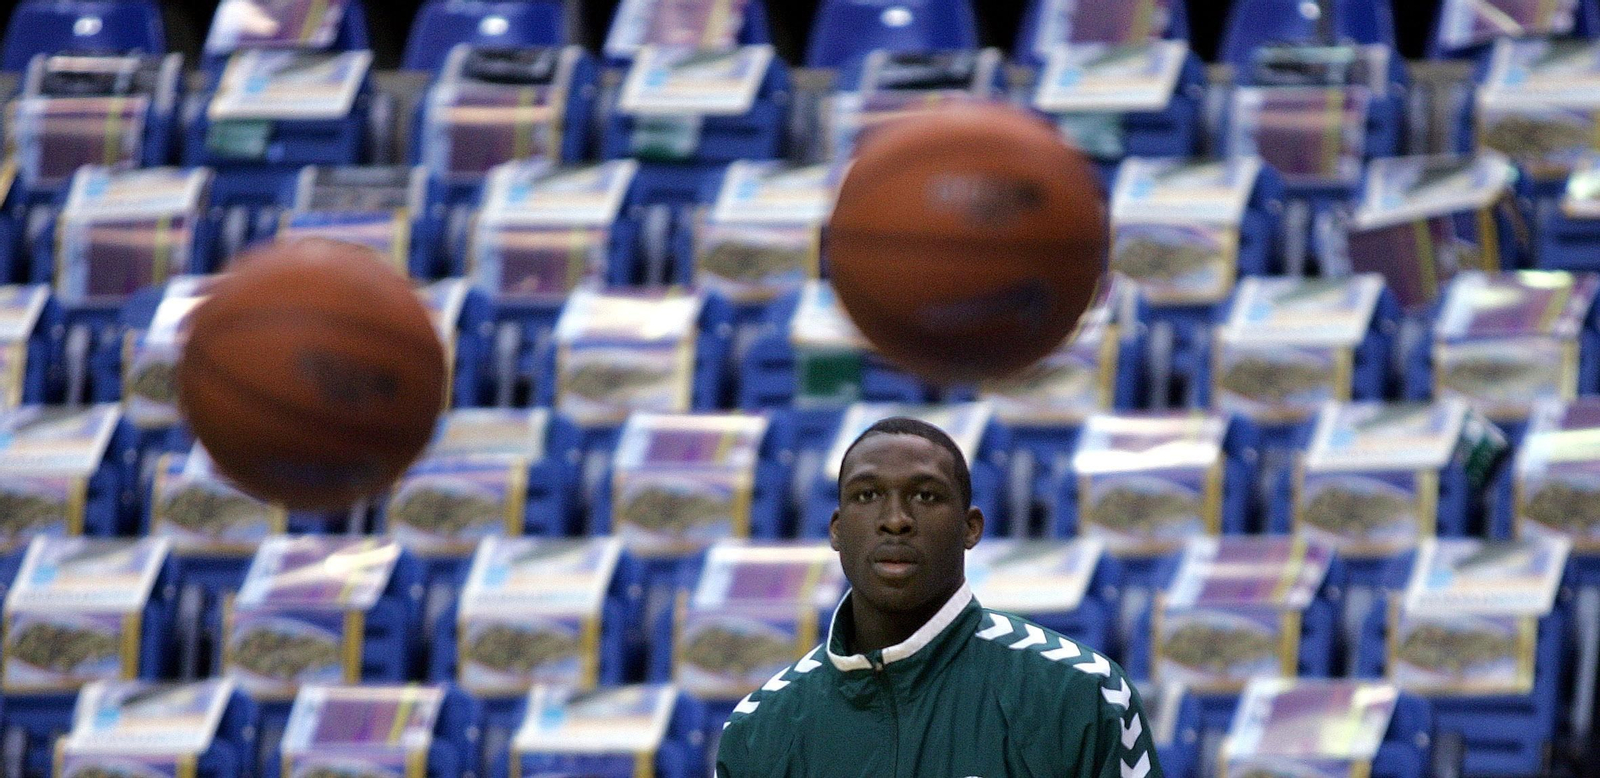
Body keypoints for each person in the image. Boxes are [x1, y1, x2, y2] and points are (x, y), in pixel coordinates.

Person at [716, 417, 1162, 778]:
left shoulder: (1081, 694)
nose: (895, 520)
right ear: (836, 528)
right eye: (867, 495)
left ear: (970, 528)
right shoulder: (760, 728)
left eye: (926, 496)